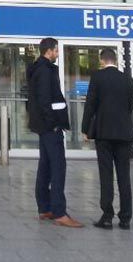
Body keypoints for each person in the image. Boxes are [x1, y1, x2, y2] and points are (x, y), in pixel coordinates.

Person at [26, 37, 82, 228]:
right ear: (49, 51)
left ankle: (44, 207)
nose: (58, 53)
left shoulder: (39, 69)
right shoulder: (45, 71)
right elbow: (45, 100)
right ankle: (59, 212)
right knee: (58, 167)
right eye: (56, 50)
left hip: (44, 127)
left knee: (46, 165)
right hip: (50, 127)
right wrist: (54, 124)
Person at [81, 48, 133, 230]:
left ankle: (107, 216)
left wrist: (85, 129)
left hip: (104, 132)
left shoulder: (97, 77)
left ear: (102, 61)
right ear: (115, 60)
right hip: (124, 133)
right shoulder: (127, 79)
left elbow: (90, 104)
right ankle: (126, 218)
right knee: (124, 176)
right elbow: (129, 106)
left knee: (106, 175)